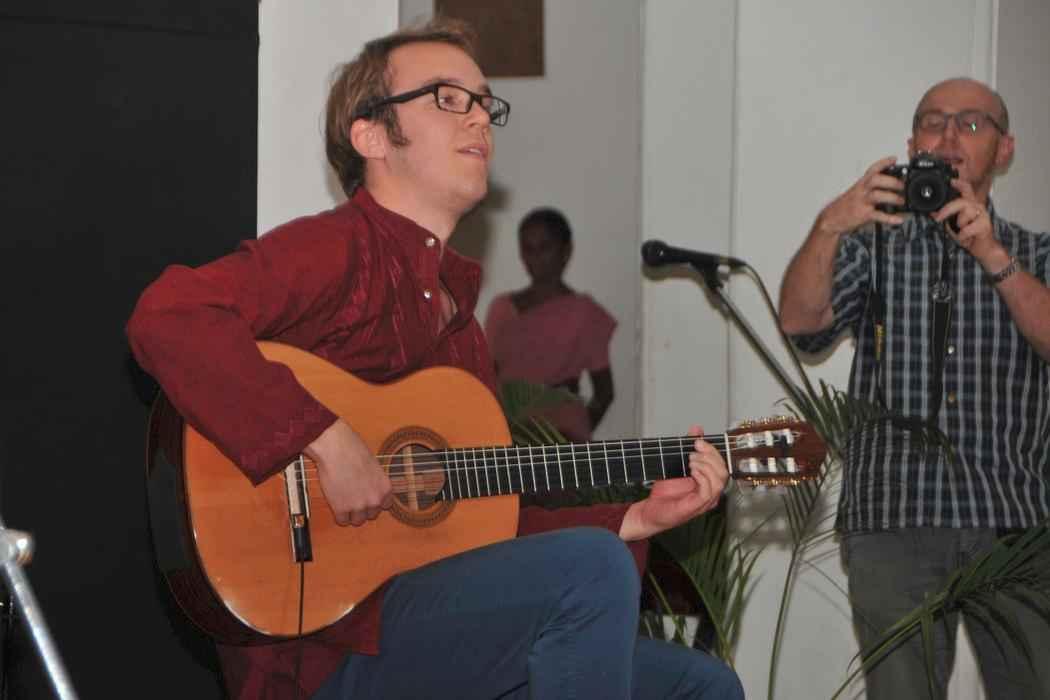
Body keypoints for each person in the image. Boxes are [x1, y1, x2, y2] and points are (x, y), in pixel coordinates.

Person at [127, 18, 744, 700]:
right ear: (371, 136)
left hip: (427, 627)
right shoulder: (335, 252)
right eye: (448, 98)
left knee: (701, 686)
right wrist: (322, 437)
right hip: (326, 649)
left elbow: (484, 523)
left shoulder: (461, 330)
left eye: (484, 102)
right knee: (592, 568)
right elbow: (169, 315)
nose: (479, 117)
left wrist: (634, 519)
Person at [779, 77, 1050, 699]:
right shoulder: (873, 244)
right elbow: (799, 324)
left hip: (1013, 520)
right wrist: (829, 226)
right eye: (933, 121)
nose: (949, 135)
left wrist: (992, 254)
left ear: (1005, 149)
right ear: (912, 145)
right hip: (894, 517)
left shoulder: (1033, 252)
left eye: (971, 123)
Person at [484, 207, 616, 442]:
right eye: (528, 248)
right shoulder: (501, 308)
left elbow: (604, 392)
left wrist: (574, 436)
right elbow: (487, 377)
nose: (536, 256)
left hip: (562, 436)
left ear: (566, 250)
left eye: (544, 247)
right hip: (508, 432)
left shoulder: (584, 312)